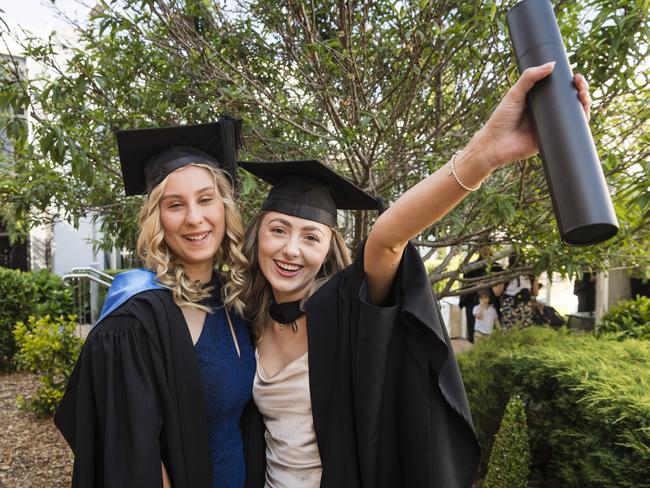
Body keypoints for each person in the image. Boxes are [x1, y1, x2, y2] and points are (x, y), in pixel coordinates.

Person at [239, 64, 591, 488]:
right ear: (258, 235)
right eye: (278, 230)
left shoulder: (344, 307)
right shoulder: (245, 318)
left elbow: (388, 239)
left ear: (327, 249)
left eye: (310, 236)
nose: (291, 249)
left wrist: (486, 153)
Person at [54, 119, 256, 488]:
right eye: (175, 204)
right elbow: (134, 459)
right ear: (157, 218)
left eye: (205, 199)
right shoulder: (136, 319)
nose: (195, 218)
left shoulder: (231, 300)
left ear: (225, 208)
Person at [458, 245, 503, 342]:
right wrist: (476, 286)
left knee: (492, 336)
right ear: (478, 249)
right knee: (474, 334)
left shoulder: (497, 267)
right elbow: (465, 286)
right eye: (483, 247)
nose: (485, 250)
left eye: (488, 247)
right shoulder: (471, 267)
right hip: (473, 302)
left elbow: (500, 287)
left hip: (491, 304)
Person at [499, 253, 539, 330]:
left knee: (523, 329)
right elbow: (498, 293)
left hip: (524, 303)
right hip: (511, 303)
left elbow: (536, 293)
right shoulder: (507, 273)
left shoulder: (529, 274)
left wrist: (535, 277)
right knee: (509, 329)